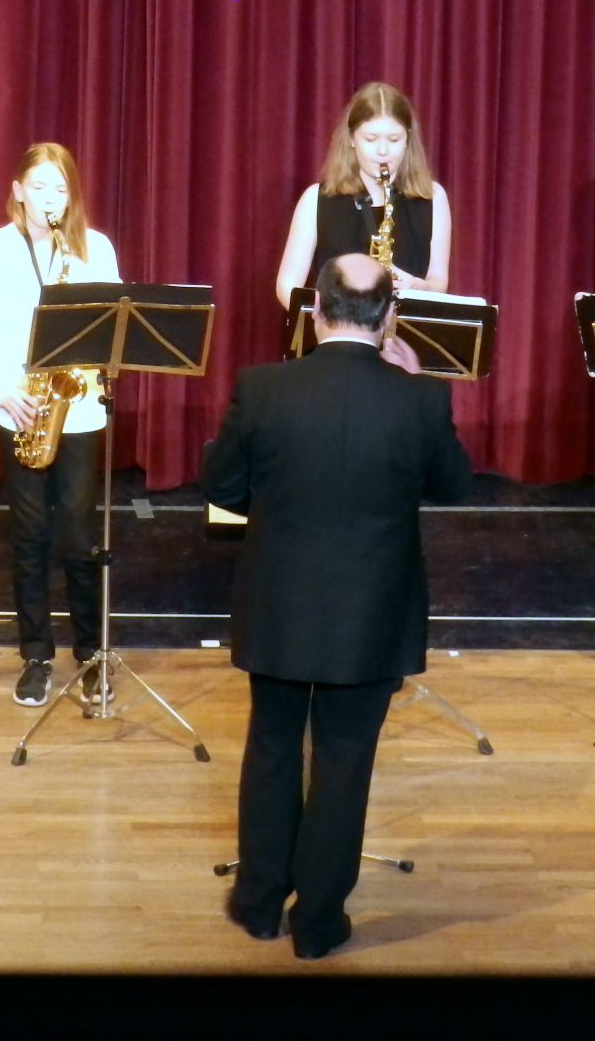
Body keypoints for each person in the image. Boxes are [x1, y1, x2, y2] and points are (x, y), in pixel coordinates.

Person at [201, 254, 474, 960]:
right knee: (345, 760)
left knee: (271, 747)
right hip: (372, 611)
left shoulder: (262, 387)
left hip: (280, 604)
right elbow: (454, 487)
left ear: (315, 309)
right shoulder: (420, 397)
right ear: (389, 317)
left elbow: (222, 489)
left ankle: (259, 904)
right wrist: (417, 383)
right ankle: (319, 925)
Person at [0, 143, 121, 707]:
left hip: (81, 409)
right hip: (18, 406)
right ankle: (36, 654)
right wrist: (2, 389)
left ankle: (92, 651)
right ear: (18, 190)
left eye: (61, 189)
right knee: (29, 535)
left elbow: (112, 328)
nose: (51, 199)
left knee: (79, 535)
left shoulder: (95, 248)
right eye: (40, 187)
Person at [274, 81, 452, 309]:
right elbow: (287, 284)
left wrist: (418, 286)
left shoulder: (433, 197)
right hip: (332, 328)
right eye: (370, 139)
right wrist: (326, 316)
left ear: (408, 139)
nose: (383, 151)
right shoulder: (315, 200)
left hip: (405, 329)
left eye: (394, 140)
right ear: (351, 138)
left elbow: (438, 281)